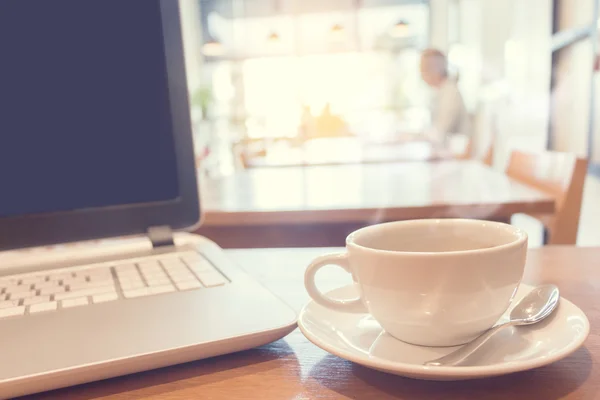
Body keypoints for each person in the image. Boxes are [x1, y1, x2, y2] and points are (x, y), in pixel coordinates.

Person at [419, 49, 470, 153]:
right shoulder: (440, 92)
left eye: (423, 69)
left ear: (435, 69)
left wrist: (416, 137)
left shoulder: (450, 93)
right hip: (445, 154)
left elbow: (439, 132)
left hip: (456, 157)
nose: (421, 74)